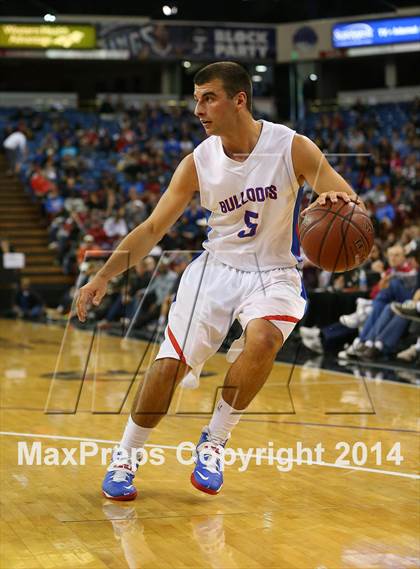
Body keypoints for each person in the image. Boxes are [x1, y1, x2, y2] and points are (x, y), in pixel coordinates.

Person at [76, 61, 364, 500]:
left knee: (264, 339)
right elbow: (153, 230)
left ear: (239, 100)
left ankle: (214, 441)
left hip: (274, 271)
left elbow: (341, 196)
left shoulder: (292, 147)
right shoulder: (197, 162)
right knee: (170, 365)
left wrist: (337, 199)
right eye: (196, 99)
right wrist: (102, 277)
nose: (198, 109)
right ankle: (126, 456)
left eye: (208, 97)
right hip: (216, 270)